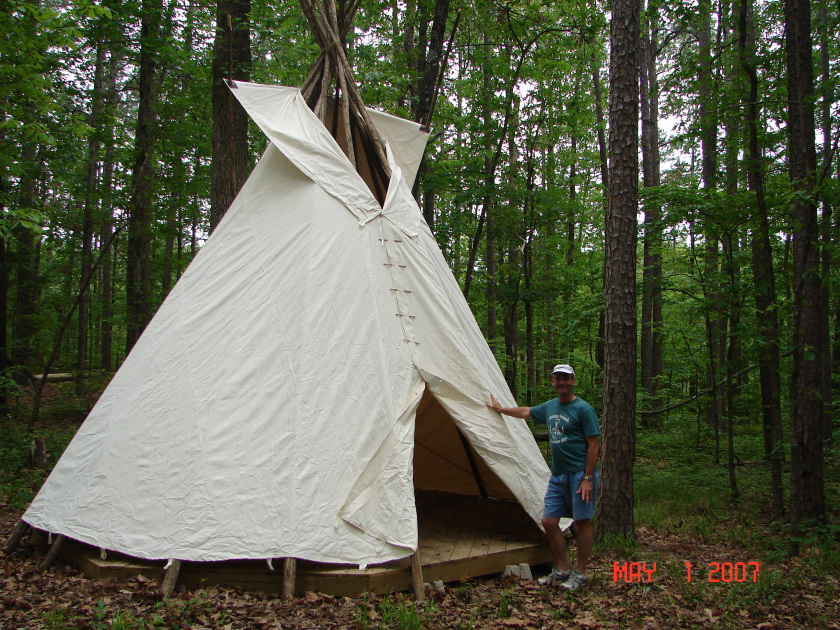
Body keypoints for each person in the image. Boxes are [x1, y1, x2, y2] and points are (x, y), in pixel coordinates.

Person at [486, 364, 600, 591]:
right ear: (553, 382)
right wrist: (501, 410)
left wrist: (587, 478)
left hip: (579, 475)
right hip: (557, 475)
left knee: (582, 522)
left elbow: (594, 444)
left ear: (573, 381)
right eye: (557, 379)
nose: (561, 383)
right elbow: (527, 412)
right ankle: (562, 569)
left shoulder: (583, 409)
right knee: (549, 521)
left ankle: (581, 573)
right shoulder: (550, 407)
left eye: (565, 379)